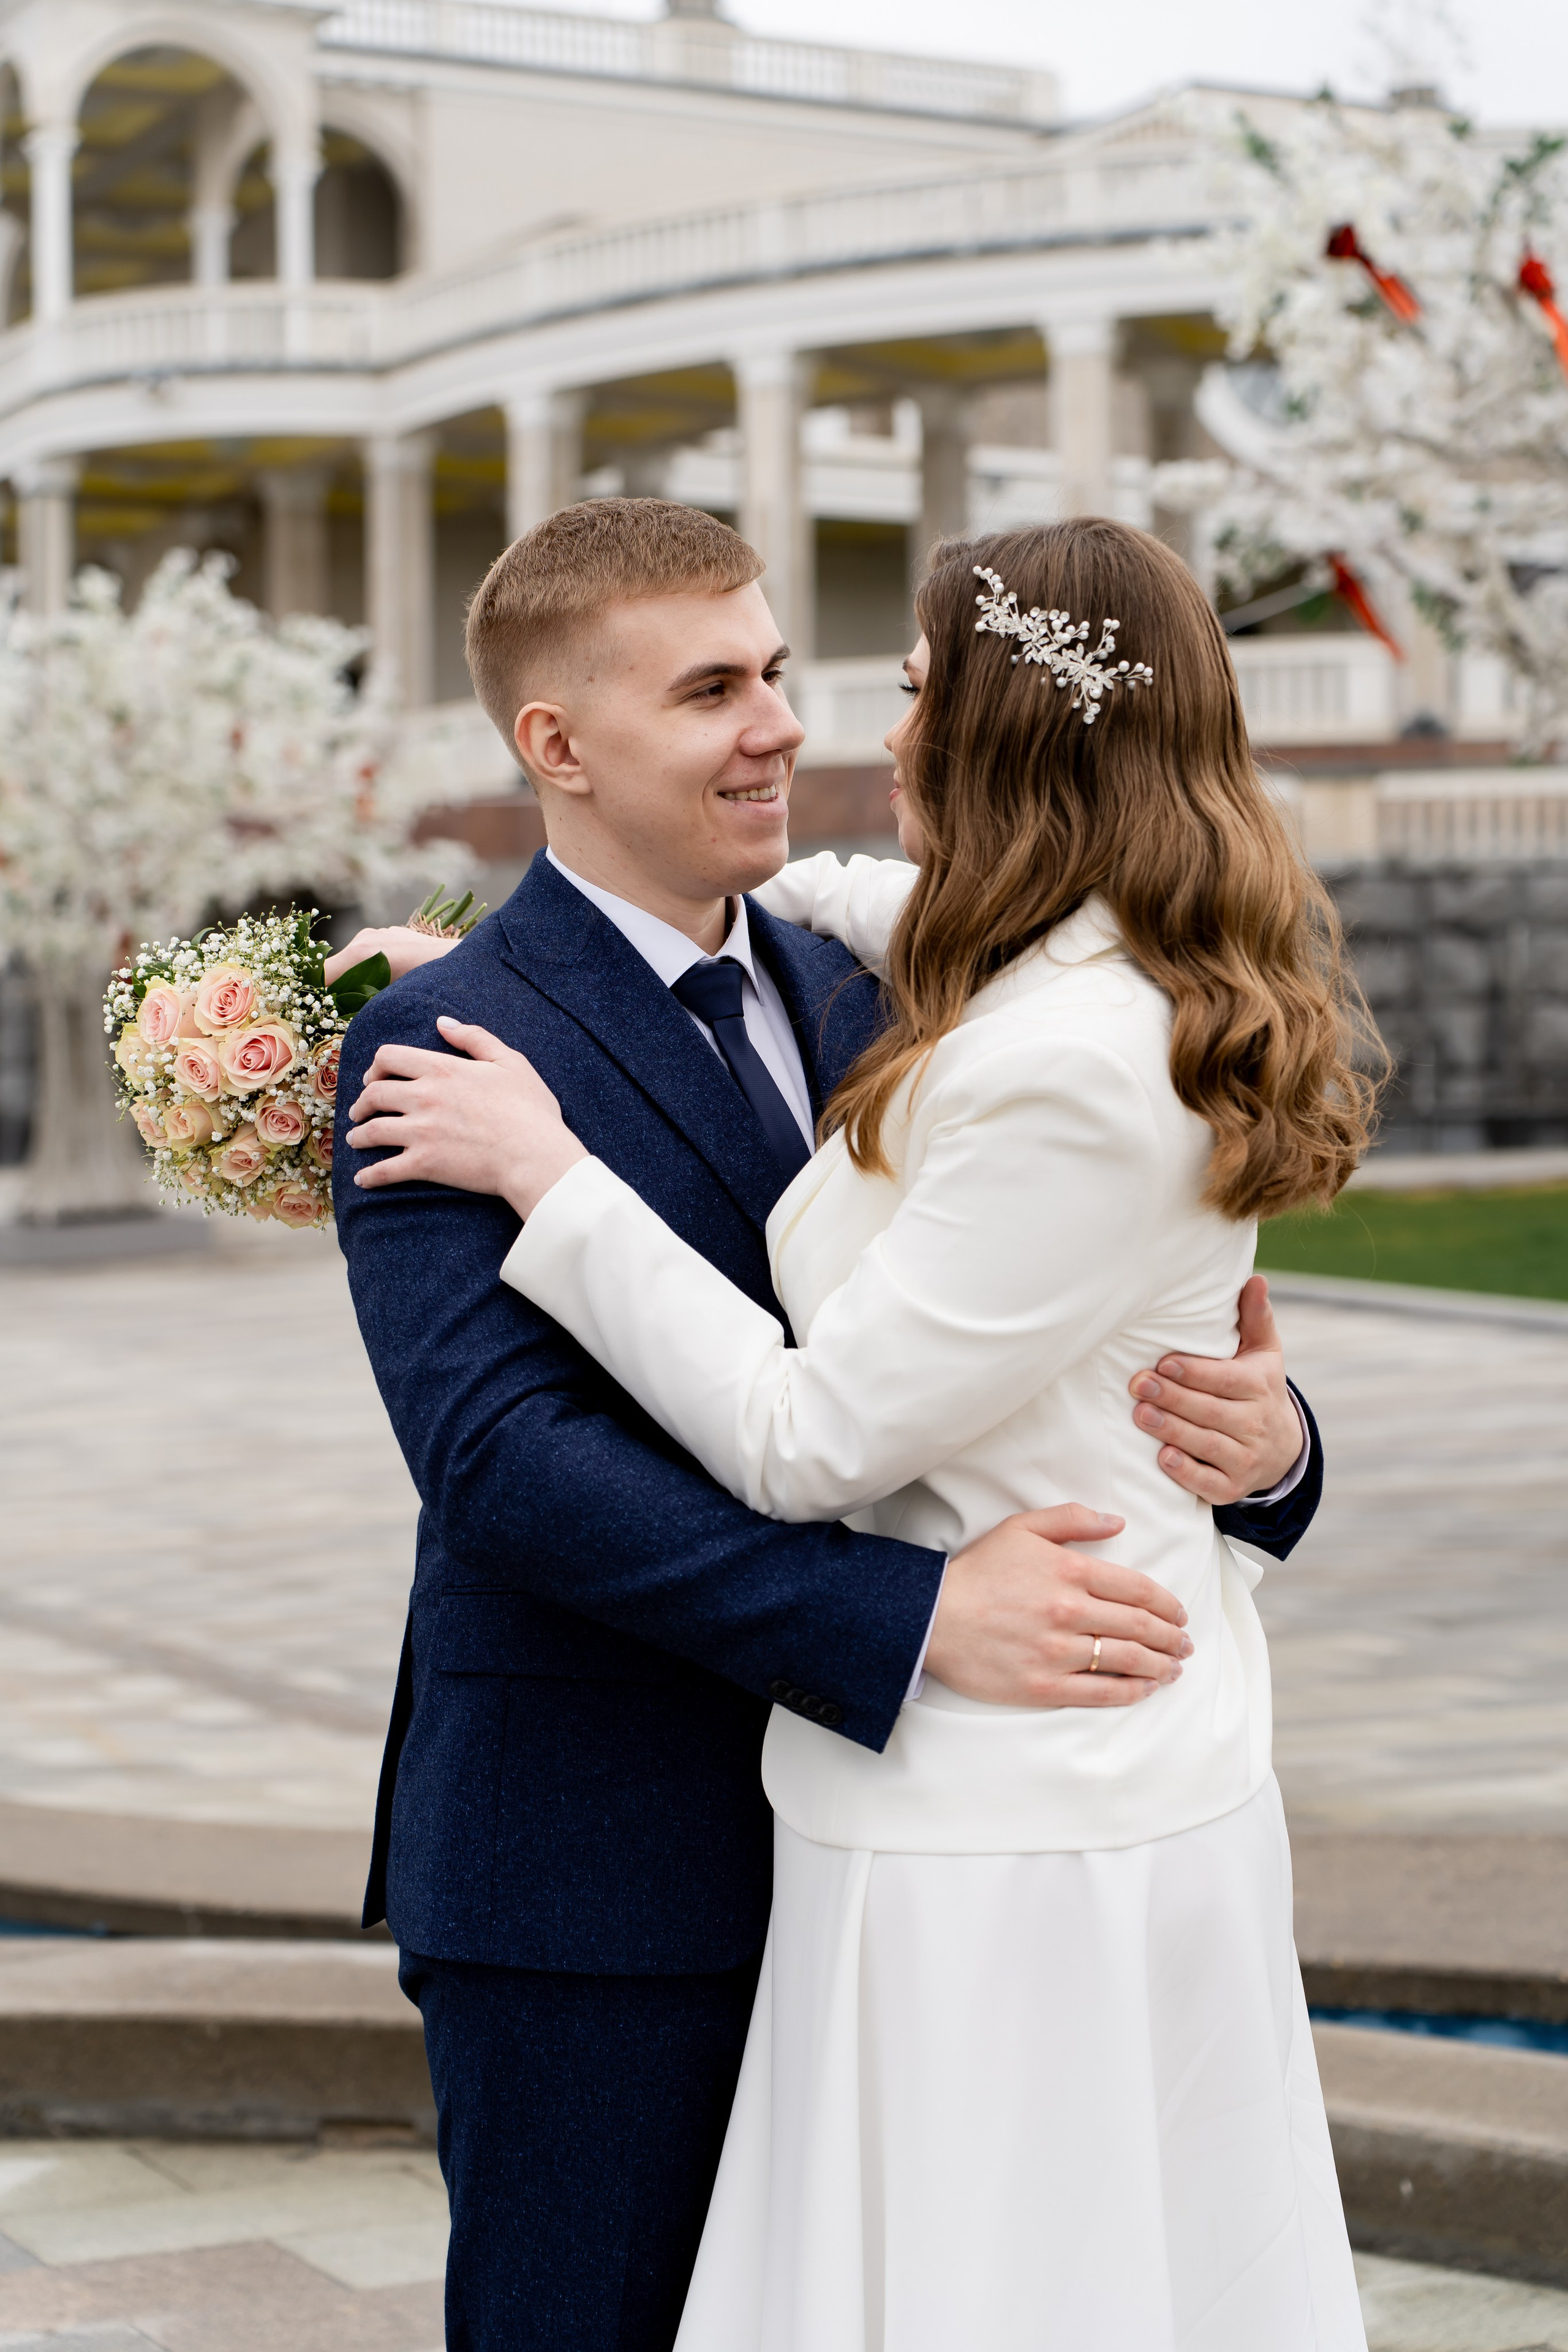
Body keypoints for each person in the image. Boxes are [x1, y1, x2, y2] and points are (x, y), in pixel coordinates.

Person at [333, 501, 1329, 2352]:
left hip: (952, 1843)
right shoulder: (447, 1048)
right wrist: (914, 1624)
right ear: (556, 745)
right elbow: (505, 1471)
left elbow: (1096, 1330)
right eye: (714, 689)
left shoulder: (920, 985)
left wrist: (1268, 1449)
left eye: (787, 673)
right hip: (602, 1873)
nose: (787, 726)